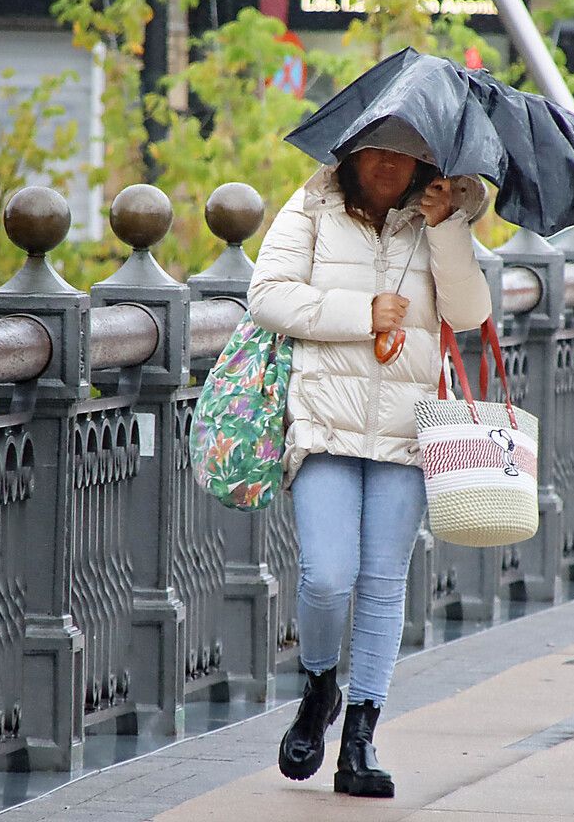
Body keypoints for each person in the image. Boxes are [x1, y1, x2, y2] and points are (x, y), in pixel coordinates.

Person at [247, 141, 493, 798]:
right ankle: (320, 684)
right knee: (327, 577)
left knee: (384, 583)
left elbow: (469, 314)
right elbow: (266, 295)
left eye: (406, 154)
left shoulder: (438, 217)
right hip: (325, 421)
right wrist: (362, 314)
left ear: (426, 164)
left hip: (408, 429)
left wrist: (448, 228)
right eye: (376, 150)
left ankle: (360, 738)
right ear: (351, 154)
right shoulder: (313, 208)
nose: (389, 164)